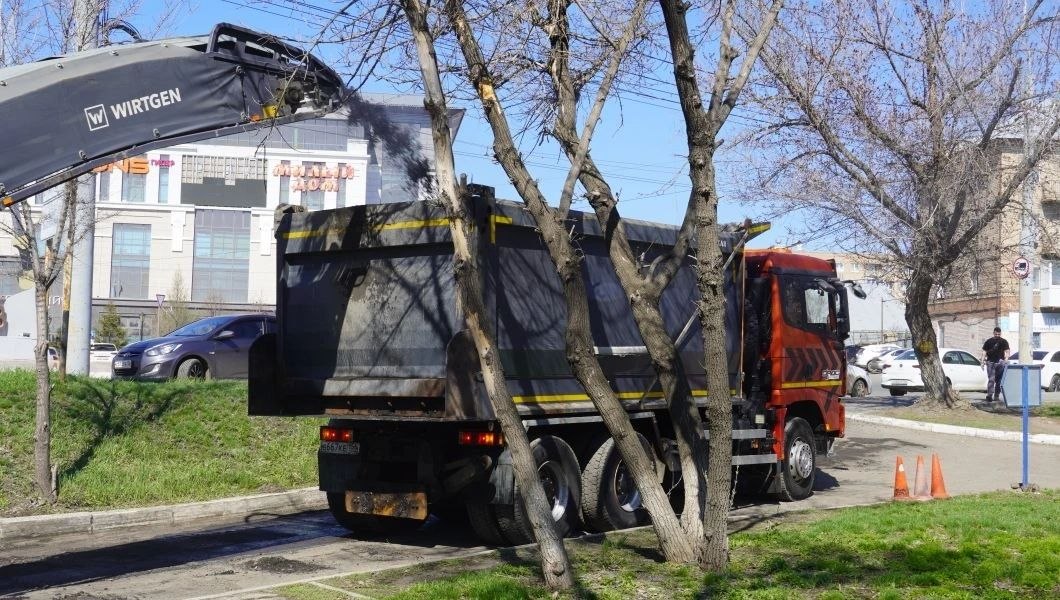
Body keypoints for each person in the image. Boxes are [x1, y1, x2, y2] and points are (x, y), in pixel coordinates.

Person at [981, 327, 1010, 402]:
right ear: (993, 333)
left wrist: (1006, 359)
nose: (997, 335)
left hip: (1000, 363)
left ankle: (996, 396)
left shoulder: (1003, 341)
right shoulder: (989, 341)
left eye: (999, 334)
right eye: (996, 334)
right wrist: (982, 361)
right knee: (991, 380)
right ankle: (989, 395)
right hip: (990, 362)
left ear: (1000, 333)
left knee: (999, 380)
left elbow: (1007, 351)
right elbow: (984, 351)